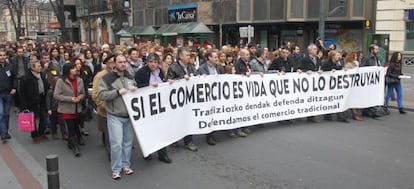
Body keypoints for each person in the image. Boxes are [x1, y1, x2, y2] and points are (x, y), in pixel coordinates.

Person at [98, 54, 137, 180]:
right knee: (116, 144)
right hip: (115, 115)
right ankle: (116, 169)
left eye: (124, 61)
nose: (123, 64)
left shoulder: (130, 77)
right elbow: (101, 95)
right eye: (120, 62)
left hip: (128, 116)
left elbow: (137, 91)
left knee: (127, 143)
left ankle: (126, 165)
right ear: (114, 64)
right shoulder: (106, 78)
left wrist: (135, 89)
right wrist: (116, 92)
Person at [135, 53, 172, 163]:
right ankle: (148, 151)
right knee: (148, 130)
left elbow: (162, 83)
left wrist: (168, 83)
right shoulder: (141, 72)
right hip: (147, 106)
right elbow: (137, 87)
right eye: (151, 62)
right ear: (147, 62)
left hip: (159, 105)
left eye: (155, 62)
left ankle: (162, 154)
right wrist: (148, 86)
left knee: (161, 129)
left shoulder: (160, 71)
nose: (153, 64)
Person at [166, 47, 198, 151]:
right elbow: (169, 82)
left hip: (189, 98)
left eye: (189, 55)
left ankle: (188, 141)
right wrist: (181, 79)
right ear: (180, 56)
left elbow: (195, 76)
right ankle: (174, 138)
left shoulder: (191, 67)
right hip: (178, 99)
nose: (189, 57)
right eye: (187, 55)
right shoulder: (173, 67)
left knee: (188, 119)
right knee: (177, 119)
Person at [54, 63, 85, 157]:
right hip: (66, 109)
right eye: (73, 68)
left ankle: (73, 141)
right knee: (70, 127)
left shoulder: (79, 80)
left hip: (77, 108)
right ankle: (75, 147)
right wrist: (70, 99)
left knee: (76, 125)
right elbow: (56, 95)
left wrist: (79, 97)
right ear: (68, 70)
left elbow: (83, 93)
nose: (75, 69)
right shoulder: (61, 81)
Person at [92, 54, 115, 159]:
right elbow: (95, 95)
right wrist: (103, 106)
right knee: (109, 134)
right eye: (111, 62)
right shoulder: (100, 76)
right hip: (106, 111)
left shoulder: (119, 74)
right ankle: (111, 154)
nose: (113, 64)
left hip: (117, 111)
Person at [20, 61, 49, 143]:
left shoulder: (42, 75)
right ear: (32, 68)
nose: (40, 67)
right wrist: (24, 105)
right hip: (31, 101)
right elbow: (22, 93)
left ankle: (41, 133)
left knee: (43, 117)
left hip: (42, 98)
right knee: (32, 119)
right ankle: (34, 135)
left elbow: (46, 85)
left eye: (40, 66)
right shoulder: (26, 78)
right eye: (38, 66)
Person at [196, 50, 221, 145]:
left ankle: (213, 134)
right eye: (215, 57)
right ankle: (208, 136)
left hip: (215, 95)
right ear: (209, 58)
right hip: (207, 96)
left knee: (214, 114)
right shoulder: (202, 69)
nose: (216, 59)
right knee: (209, 115)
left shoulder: (217, 68)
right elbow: (197, 80)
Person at [321, 51, 350, 123]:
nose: (339, 57)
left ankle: (341, 116)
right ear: (333, 56)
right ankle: (327, 115)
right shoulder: (327, 63)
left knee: (340, 99)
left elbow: (340, 70)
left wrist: (344, 70)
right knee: (329, 99)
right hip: (329, 85)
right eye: (337, 55)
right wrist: (330, 72)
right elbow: (323, 73)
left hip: (337, 84)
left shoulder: (339, 62)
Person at [298, 44, 323, 123]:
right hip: (307, 83)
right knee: (308, 98)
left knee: (315, 98)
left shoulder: (318, 59)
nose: (316, 51)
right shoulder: (305, 59)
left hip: (316, 83)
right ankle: (309, 114)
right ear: (310, 51)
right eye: (315, 49)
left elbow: (321, 67)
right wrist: (306, 71)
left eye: (316, 49)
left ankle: (313, 115)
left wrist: (321, 71)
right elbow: (299, 68)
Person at [360, 44, 382, 119]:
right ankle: (374, 112)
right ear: (372, 50)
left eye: (377, 49)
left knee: (372, 96)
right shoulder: (367, 58)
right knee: (370, 96)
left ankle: (366, 111)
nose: (377, 51)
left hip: (375, 80)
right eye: (376, 49)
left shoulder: (377, 58)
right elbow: (362, 68)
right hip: (368, 80)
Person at [0, 49, 16, 142]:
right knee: (1, 113)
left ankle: (4, 130)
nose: (2, 57)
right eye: (0, 55)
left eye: (3, 55)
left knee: (6, 114)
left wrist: (14, 88)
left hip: (8, 93)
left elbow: (14, 78)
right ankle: (4, 133)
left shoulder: (10, 66)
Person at [343, 52, 363, 121]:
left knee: (353, 98)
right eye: (354, 57)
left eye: (356, 57)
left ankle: (354, 113)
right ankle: (354, 113)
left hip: (355, 83)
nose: (356, 58)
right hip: (349, 84)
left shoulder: (356, 63)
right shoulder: (348, 64)